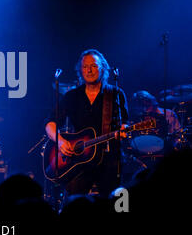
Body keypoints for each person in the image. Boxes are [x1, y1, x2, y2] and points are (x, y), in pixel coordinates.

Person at [45, 49, 129, 198]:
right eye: (85, 67)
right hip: (78, 161)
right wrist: (61, 142)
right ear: (80, 70)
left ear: (102, 68)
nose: (89, 70)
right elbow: (50, 124)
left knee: (113, 204)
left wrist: (123, 131)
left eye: (94, 66)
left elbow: (125, 125)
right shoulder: (72, 96)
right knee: (75, 204)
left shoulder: (116, 93)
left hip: (108, 159)